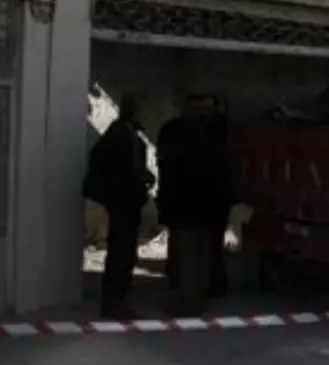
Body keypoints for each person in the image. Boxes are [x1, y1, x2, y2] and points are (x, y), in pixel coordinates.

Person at [156, 93, 234, 316]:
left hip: (185, 206)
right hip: (206, 206)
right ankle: (199, 299)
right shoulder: (214, 135)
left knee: (188, 257)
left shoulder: (176, 133)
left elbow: (167, 169)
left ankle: (190, 304)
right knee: (202, 255)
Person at [82, 93, 155, 319]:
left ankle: (118, 299)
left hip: (126, 201)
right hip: (122, 201)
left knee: (124, 252)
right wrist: (139, 178)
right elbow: (127, 166)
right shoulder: (121, 134)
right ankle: (114, 301)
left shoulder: (125, 133)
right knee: (120, 253)